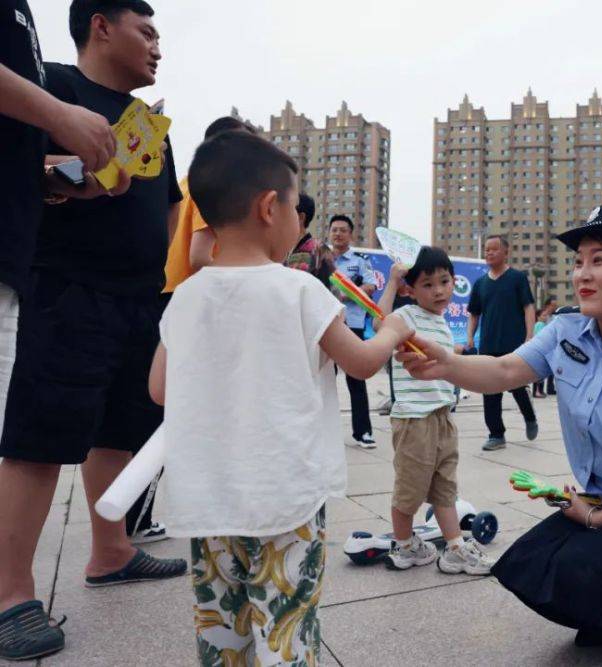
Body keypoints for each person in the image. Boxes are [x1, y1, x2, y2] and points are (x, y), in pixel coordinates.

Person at [400, 204, 602, 667]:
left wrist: (596, 519)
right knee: (525, 566)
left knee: (574, 568)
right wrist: (445, 364)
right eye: (578, 261)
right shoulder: (568, 329)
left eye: (599, 259)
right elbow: (507, 368)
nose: (582, 274)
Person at [149, 131, 413, 665]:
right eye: (298, 207)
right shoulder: (299, 289)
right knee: (286, 627)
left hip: (211, 504)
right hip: (283, 498)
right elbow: (361, 362)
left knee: (223, 629)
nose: (301, 223)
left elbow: (159, 389)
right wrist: (395, 329)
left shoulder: (186, 296)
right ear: (270, 207)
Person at [1, 1, 190, 660]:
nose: (157, 46)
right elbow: (24, 170)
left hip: (139, 296)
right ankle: (10, 594)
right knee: (42, 432)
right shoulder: (52, 86)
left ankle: (111, 551)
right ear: (101, 26)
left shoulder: (150, 124)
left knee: (120, 427)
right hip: (68, 287)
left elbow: (168, 206)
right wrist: (67, 176)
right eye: (147, 31)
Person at [127, 116, 257, 548]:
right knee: (180, 413)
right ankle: (139, 516)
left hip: (164, 297)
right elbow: (202, 255)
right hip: (189, 304)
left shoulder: (186, 182)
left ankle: (133, 514)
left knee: (158, 409)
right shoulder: (212, 185)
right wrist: (255, 274)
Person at [372, 251, 496, 574]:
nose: (439, 290)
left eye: (445, 281)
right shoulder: (407, 316)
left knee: (445, 488)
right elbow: (377, 321)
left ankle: (454, 548)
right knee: (409, 489)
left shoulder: (441, 321)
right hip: (414, 419)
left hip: (443, 416)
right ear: (411, 290)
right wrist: (391, 283)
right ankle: (404, 545)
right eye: (428, 284)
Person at [163, 116, 257, 295]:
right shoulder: (214, 187)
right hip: (191, 294)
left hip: (168, 290)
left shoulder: (187, 182)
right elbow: (199, 258)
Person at [467, 235, 538, 450]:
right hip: (488, 345)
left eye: (494, 249)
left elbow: (528, 308)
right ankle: (496, 434)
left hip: (514, 344)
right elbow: (474, 314)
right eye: (487, 250)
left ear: (506, 252)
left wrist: (529, 337)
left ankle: (529, 416)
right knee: (490, 389)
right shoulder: (480, 283)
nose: (489, 253)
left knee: (516, 386)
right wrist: (470, 336)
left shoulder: (517, 278)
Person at [317, 214, 378, 447]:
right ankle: (323, 430)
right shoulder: (321, 260)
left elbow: (371, 286)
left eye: (343, 230)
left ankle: (363, 432)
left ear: (350, 234)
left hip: (352, 324)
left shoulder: (360, 261)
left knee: (356, 377)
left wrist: (349, 292)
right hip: (326, 324)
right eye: (334, 230)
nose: (338, 234)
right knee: (324, 377)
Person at [377, 264, 415, 416]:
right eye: (399, 278)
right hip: (396, 349)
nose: (402, 282)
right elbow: (379, 322)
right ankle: (395, 404)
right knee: (395, 376)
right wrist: (392, 283)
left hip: (415, 349)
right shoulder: (391, 298)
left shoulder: (417, 299)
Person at [285, 192, 322, 276]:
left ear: (301, 217)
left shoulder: (319, 250)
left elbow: (331, 287)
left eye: (285, 211)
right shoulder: (282, 250)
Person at [532, 297, 557, 398]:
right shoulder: (539, 324)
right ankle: (537, 391)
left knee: (545, 372)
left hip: (549, 348)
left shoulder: (553, 317)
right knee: (539, 373)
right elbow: (539, 336)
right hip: (541, 349)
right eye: (553, 305)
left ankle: (542, 390)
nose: (545, 317)